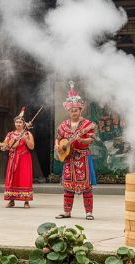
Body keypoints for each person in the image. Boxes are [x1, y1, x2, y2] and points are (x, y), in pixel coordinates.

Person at [55, 82, 97, 220]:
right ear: (68, 111)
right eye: (72, 110)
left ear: (81, 110)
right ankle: (67, 212)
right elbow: (58, 138)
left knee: (86, 186)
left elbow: (91, 140)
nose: (74, 112)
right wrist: (57, 146)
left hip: (82, 157)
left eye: (76, 110)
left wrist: (81, 140)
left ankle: (89, 212)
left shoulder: (87, 124)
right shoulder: (63, 125)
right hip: (68, 158)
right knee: (67, 186)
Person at [1, 106, 35, 208]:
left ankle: (26, 201)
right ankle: (11, 200)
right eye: (17, 122)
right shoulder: (10, 134)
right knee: (12, 179)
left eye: (20, 122)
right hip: (13, 159)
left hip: (24, 158)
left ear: (24, 124)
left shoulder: (27, 133)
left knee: (25, 178)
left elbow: (32, 147)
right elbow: (4, 146)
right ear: (14, 123)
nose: (18, 124)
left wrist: (26, 139)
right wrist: (4, 147)